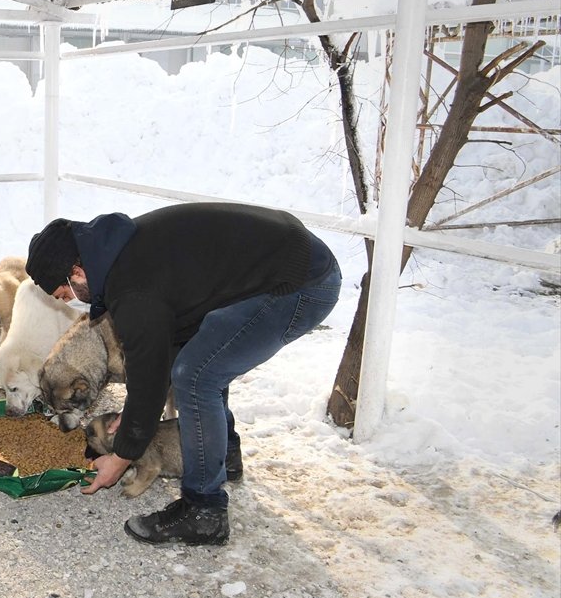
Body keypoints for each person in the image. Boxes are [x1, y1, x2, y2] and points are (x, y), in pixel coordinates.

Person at [25, 203, 341, 546]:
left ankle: (205, 512)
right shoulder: (116, 250)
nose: (70, 301)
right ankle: (224, 455)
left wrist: (122, 455)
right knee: (199, 358)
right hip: (282, 257)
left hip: (301, 282)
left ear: (77, 272)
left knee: (196, 377)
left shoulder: (133, 290)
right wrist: (134, 416)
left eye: (64, 294)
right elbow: (165, 348)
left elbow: (148, 373)